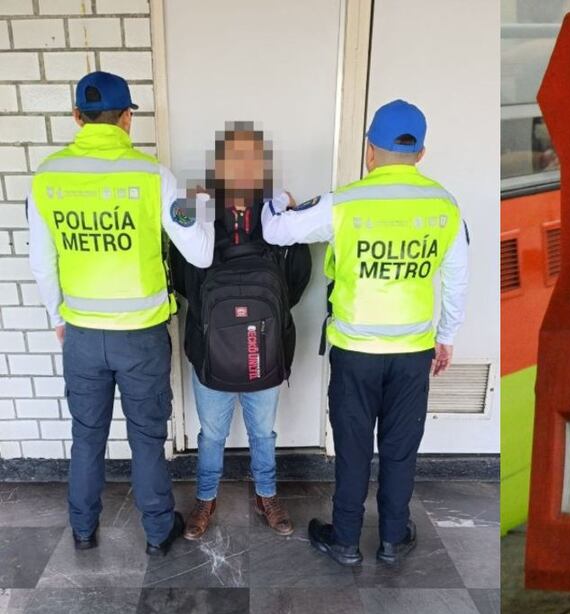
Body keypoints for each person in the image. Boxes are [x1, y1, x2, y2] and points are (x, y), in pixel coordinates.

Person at [261, 99, 468, 566]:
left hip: (355, 352)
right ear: (420, 153)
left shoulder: (345, 203)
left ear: (370, 151)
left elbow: (275, 233)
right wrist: (447, 335)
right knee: (400, 448)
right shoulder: (443, 205)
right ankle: (394, 537)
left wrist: (280, 202)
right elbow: (458, 276)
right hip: (414, 351)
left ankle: (346, 540)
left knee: (353, 447)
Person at [27, 71, 215, 555]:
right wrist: (204, 207)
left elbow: (41, 262)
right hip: (141, 337)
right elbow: (200, 253)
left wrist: (59, 318)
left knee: (86, 437)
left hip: (83, 335)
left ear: (76, 117)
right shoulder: (153, 177)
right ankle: (157, 533)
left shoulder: (47, 177)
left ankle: (83, 530)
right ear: (128, 117)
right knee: (147, 438)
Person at [170, 123, 311, 540]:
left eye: (253, 158)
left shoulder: (276, 212)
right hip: (210, 345)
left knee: (263, 432)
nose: (245, 167)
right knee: (211, 433)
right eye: (235, 158)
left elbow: (298, 274)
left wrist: (264, 317)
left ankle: (266, 494)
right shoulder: (196, 207)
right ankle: (205, 498)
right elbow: (179, 273)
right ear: (219, 165)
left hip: (263, 346)